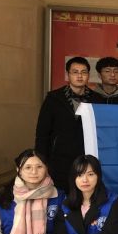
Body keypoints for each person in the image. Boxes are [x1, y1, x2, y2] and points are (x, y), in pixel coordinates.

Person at [35, 56, 93, 191]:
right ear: (67, 75)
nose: (80, 76)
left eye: (84, 72)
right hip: (59, 159)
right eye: (75, 72)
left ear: (88, 75)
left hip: (87, 159)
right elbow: (42, 133)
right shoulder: (54, 98)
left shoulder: (96, 99)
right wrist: (41, 162)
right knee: (60, 195)